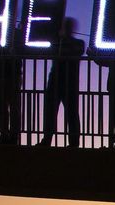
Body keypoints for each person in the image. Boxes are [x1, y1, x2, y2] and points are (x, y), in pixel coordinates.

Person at [38, 18, 86, 148]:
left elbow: (65, 52)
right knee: (52, 112)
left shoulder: (78, 43)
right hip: (59, 82)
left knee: (70, 113)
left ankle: (73, 143)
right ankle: (47, 140)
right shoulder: (61, 43)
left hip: (67, 82)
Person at [0, 50, 23, 145]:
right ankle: (8, 135)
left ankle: (10, 135)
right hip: (5, 72)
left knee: (8, 107)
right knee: (4, 107)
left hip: (9, 72)